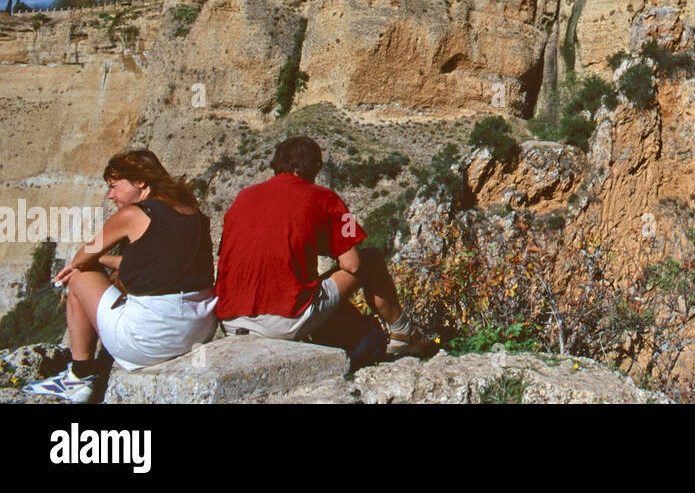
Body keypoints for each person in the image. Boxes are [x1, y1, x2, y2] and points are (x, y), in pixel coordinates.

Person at [23, 150, 217, 403]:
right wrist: (105, 260)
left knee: (79, 276)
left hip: (152, 341)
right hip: (198, 331)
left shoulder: (133, 214)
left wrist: (93, 260)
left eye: (114, 187)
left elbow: (82, 257)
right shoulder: (193, 213)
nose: (111, 195)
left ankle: (79, 378)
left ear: (141, 182)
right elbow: (157, 263)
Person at [215, 135, 431, 357]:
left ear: (277, 164)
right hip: (283, 320)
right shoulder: (326, 198)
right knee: (371, 259)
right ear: (316, 167)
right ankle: (403, 334)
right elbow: (353, 264)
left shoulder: (242, 198)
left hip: (231, 320)